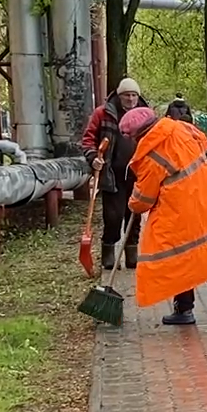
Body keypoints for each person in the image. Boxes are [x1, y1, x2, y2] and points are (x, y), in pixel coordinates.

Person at [121, 105, 207, 326]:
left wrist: (133, 202)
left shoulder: (149, 153)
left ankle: (184, 309)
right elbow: (203, 142)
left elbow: (144, 198)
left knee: (182, 259)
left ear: (136, 135)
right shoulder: (180, 128)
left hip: (178, 213)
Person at [79, 78, 147, 270]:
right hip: (112, 174)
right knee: (113, 217)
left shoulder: (145, 115)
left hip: (137, 174)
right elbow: (88, 139)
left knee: (134, 216)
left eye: (134, 95)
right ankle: (108, 253)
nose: (131, 99)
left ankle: (131, 254)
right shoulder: (103, 113)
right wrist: (93, 157)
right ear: (119, 96)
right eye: (126, 95)